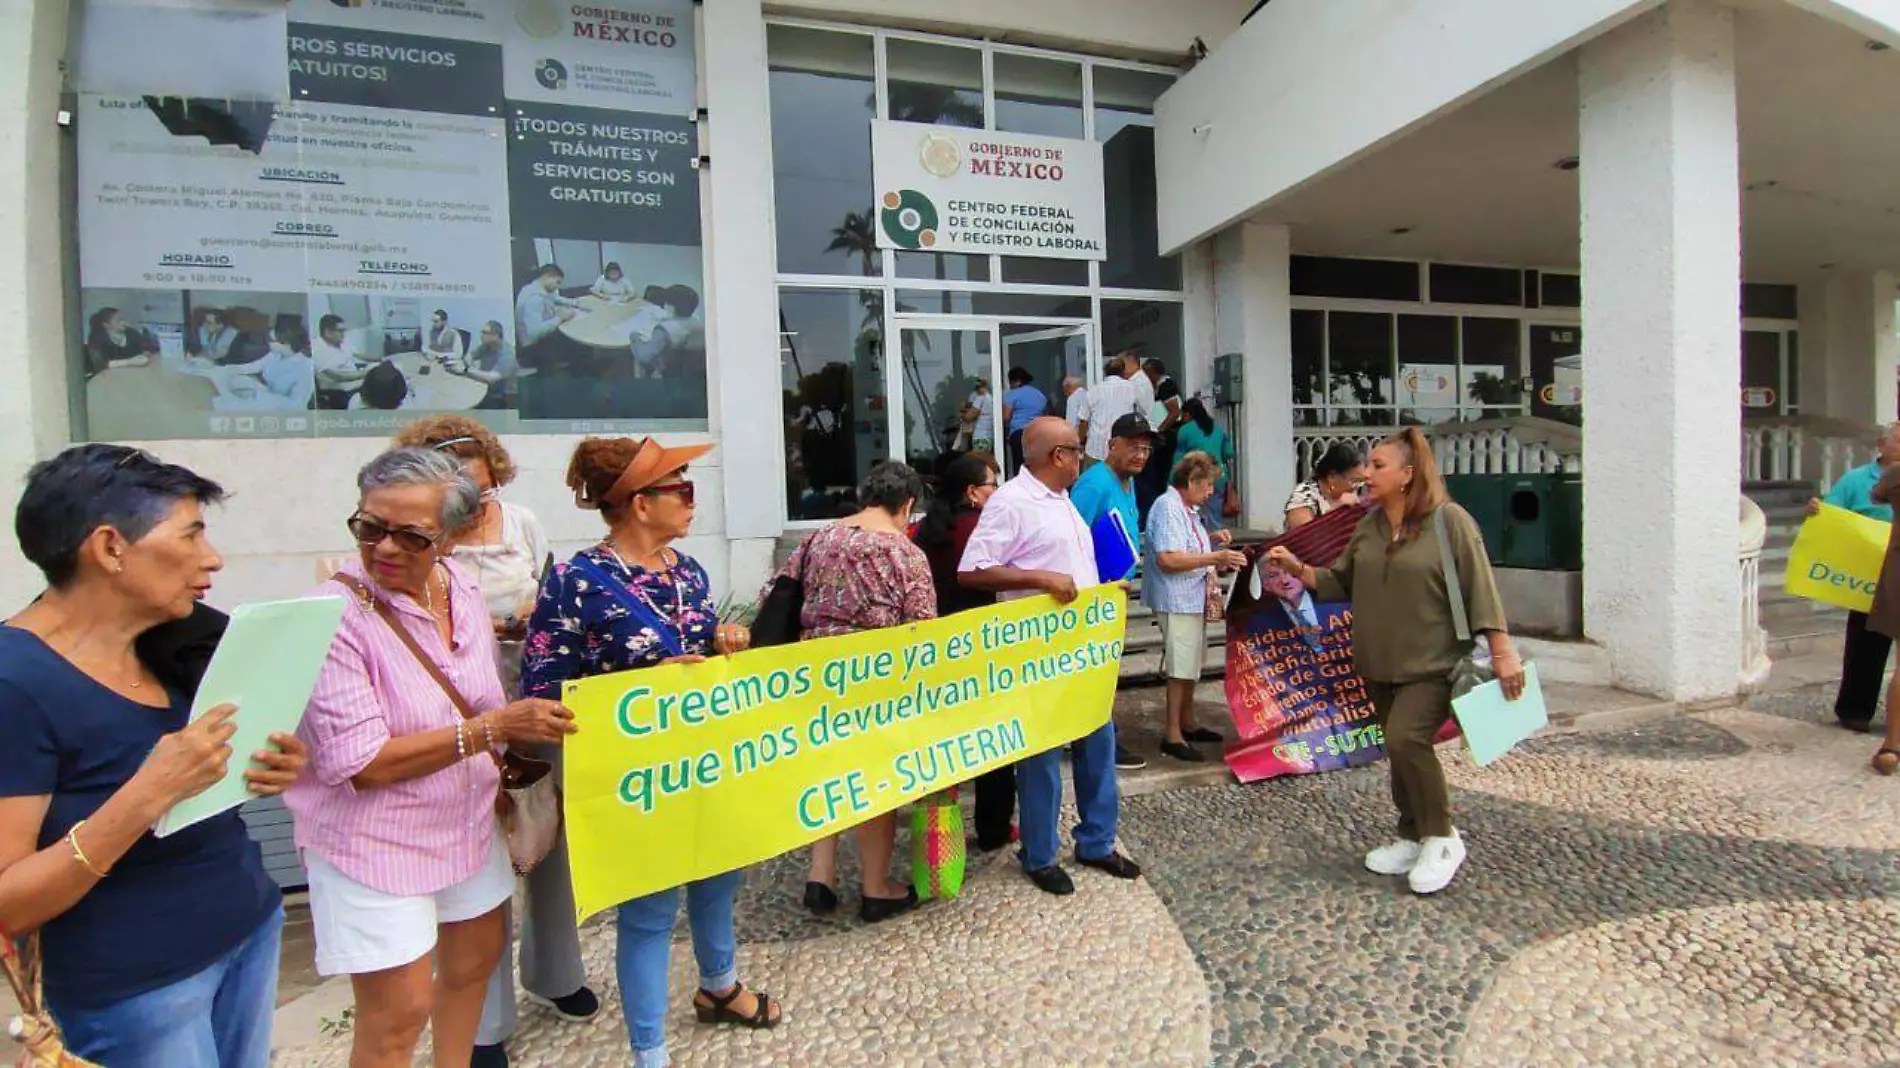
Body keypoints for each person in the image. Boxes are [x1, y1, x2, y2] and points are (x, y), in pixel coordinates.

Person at [0, 445, 307, 1065]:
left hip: (248, 925)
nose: (212, 559)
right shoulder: (16, 680)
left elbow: (202, 779)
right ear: (110, 547)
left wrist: (260, 767)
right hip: (139, 986)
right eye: (191, 535)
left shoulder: (175, 636)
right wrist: (148, 792)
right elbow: (9, 900)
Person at [286, 448, 578, 1068]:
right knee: (399, 1011)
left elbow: (478, 692)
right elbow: (361, 763)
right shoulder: (332, 616)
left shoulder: (464, 590)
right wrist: (492, 727)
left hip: (465, 822)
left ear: (451, 537)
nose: (385, 548)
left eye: (410, 536)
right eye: (370, 528)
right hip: (373, 843)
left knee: (473, 965)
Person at [522, 437, 780, 1068]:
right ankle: (649, 1050)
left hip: (707, 761)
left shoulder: (688, 572)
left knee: (720, 880)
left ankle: (719, 985)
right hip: (634, 778)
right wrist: (642, 685)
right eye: (682, 490)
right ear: (639, 504)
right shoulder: (574, 581)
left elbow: (695, 656)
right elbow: (542, 691)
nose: (694, 502)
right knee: (649, 911)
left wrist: (721, 648)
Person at [388, 420, 587, 1068]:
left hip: (534, 704)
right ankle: (484, 1020)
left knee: (551, 848)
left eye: (480, 480)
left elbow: (555, 600)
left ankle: (559, 974)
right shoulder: (423, 540)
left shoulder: (522, 524)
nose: (472, 497)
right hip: (458, 723)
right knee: (479, 867)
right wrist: (503, 623)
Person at [1267, 427, 1525, 896]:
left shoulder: (1451, 522)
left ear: (1408, 474)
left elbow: (1481, 587)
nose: (1365, 473)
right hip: (1377, 665)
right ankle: (1412, 833)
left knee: (1408, 739)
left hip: (1431, 664)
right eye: (1367, 465)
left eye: (1377, 465)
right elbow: (1341, 579)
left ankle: (1442, 837)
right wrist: (1298, 570)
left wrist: (1504, 652)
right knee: (1396, 746)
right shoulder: (1368, 526)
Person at [959, 416, 1142, 896]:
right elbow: (972, 570)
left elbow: (1072, 567)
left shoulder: (1063, 501)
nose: (1083, 458)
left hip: (1083, 649)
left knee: (1097, 743)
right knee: (1040, 755)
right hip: (1037, 654)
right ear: (1057, 455)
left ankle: (1097, 841)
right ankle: (1039, 854)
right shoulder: (1011, 502)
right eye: (1077, 450)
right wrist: (1041, 580)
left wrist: (1101, 588)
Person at [782, 462, 936, 921]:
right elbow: (921, 630)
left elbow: (780, 592)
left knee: (827, 769)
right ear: (907, 504)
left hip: (813, 671)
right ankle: (875, 887)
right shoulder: (903, 552)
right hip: (873, 677)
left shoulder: (818, 538)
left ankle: (821, 875)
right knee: (874, 780)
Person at [913, 454, 1015, 852]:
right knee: (995, 743)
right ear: (973, 492)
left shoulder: (923, 531)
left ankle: (940, 833)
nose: (998, 491)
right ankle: (993, 829)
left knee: (943, 741)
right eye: (992, 484)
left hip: (939, 650)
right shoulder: (983, 531)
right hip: (985, 649)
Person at [1144, 452, 1248, 763]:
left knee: (1190, 663)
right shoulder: (1168, 507)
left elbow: (1184, 546)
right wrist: (1216, 557)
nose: (1212, 492)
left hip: (1190, 596)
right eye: (1208, 485)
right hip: (1176, 598)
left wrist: (1210, 541)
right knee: (1180, 667)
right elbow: (1169, 558)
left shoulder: (1185, 508)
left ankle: (1187, 722)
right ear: (1191, 482)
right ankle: (1173, 733)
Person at [1070, 413, 1159, 772]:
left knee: (1105, 671)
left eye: (1146, 449)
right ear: (1111, 445)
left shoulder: (1128, 482)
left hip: (1116, 593)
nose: (1141, 455)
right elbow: (1071, 538)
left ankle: (1097, 734)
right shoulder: (1095, 484)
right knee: (1095, 671)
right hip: (1094, 596)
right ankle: (1094, 740)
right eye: (1134, 447)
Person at [1806, 421, 1900, 733]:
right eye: (1899, 439)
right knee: (1865, 644)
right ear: (1882, 444)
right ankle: (1855, 710)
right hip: (1867, 572)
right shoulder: (1857, 479)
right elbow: (1831, 513)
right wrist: (1818, 509)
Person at [211, 323, 316, 410]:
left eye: (272, 340)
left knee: (224, 405)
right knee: (221, 392)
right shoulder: (275, 354)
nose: (268, 343)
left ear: (287, 344)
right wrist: (225, 369)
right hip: (263, 396)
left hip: (279, 409)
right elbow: (252, 366)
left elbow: (296, 405)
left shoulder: (305, 368)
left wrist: (256, 395)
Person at [1174, 397, 1237, 530]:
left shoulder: (1185, 430)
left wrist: (1171, 483)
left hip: (1195, 479)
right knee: (1214, 520)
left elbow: (1178, 461)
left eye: (1182, 415)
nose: (1182, 419)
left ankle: (1203, 548)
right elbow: (1229, 453)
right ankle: (1217, 547)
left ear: (1188, 414)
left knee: (1192, 520)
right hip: (1218, 477)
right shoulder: (1217, 428)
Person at [1135, 359, 1185, 517]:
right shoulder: (1157, 387)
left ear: (1154, 372)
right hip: (1164, 434)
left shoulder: (1166, 386)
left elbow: (1174, 411)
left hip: (1168, 436)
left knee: (1160, 473)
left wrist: (1160, 431)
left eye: (1147, 372)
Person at [620, 285, 701, 378]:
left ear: (672, 308)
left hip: (660, 369)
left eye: (666, 303)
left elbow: (644, 356)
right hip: (683, 363)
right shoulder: (695, 321)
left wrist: (634, 336)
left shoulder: (665, 330)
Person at [1284, 443, 1368, 530]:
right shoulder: (1303, 496)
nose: (1357, 487)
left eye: (1360, 481)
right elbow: (1303, 534)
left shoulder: (1350, 494)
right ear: (1332, 476)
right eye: (1354, 481)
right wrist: (1336, 509)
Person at [1083, 356, 1143, 462]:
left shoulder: (1094, 390)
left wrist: (1079, 442)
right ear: (1123, 372)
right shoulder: (1133, 388)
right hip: (1122, 445)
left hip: (1096, 448)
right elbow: (1142, 412)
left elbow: (1084, 420)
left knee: (1094, 477)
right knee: (1120, 478)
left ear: (1105, 372)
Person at [449, 321, 520, 411]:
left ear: (496, 335)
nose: (481, 335)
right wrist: (471, 369)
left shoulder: (508, 355)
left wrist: (466, 370)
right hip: (486, 388)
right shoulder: (486, 346)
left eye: (485, 333)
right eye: (482, 332)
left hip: (503, 397)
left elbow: (491, 378)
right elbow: (468, 357)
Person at [515, 265, 581, 348]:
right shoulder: (534, 298)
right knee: (577, 342)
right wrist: (559, 317)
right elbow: (534, 333)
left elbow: (555, 298)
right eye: (558, 282)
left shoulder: (536, 288)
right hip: (534, 345)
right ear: (547, 276)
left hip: (542, 335)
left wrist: (576, 302)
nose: (558, 287)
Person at [1001, 367, 1049, 476]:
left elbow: (1006, 417)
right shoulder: (1039, 394)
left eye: (1011, 382)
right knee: (1034, 464)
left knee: (1019, 465)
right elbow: (1044, 414)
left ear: (1017, 381)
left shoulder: (1013, 394)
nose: (1010, 386)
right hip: (1036, 433)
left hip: (1018, 433)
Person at [83, 307, 154, 376]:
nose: (124, 322)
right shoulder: (96, 338)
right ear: (106, 324)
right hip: (107, 377)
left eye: (123, 319)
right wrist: (130, 362)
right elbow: (99, 364)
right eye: (119, 321)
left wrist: (146, 353)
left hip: (134, 374)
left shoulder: (130, 332)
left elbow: (147, 347)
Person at [313, 313, 370, 396]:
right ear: (328, 332)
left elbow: (361, 356)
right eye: (340, 331)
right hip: (341, 392)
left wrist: (380, 360)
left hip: (357, 383)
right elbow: (339, 377)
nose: (344, 334)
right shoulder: (317, 350)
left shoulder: (341, 342)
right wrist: (366, 374)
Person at [967, 378, 997, 454]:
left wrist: (961, 415)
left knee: (979, 461)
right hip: (989, 436)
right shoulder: (991, 398)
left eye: (978, 388)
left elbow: (969, 417)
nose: (977, 390)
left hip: (980, 436)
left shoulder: (980, 398)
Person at [1061, 374, 1090, 439]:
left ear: (1068, 387)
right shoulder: (1088, 395)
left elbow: (1071, 423)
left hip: (1078, 437)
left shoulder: (1073, 398)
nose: (1063, 392)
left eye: (1064, 388)